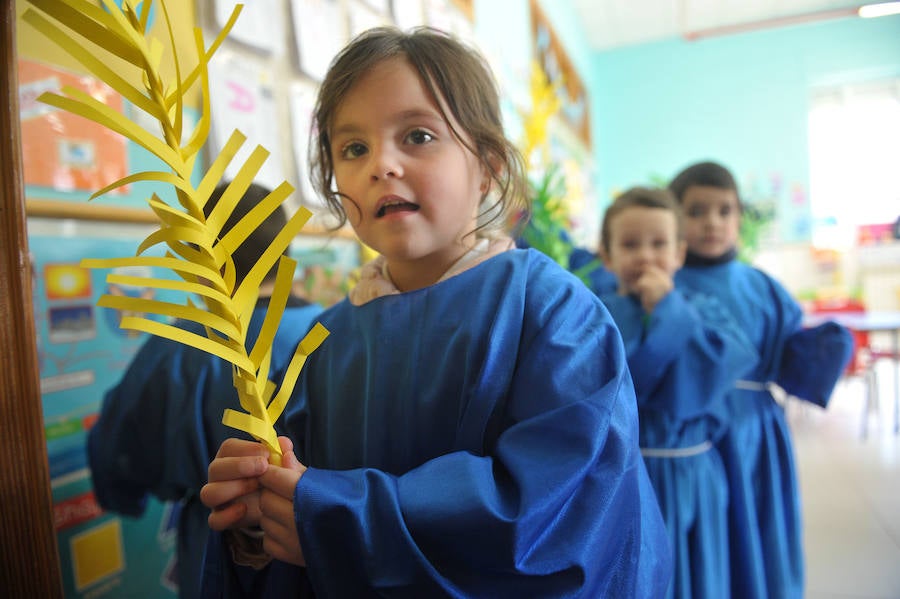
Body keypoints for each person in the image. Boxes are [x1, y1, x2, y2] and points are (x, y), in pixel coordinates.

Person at [198, 26, 672, 598]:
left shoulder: (555, 315)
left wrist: (333, 522)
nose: (381, 165)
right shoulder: (323, 342)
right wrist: (256, 514)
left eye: (418, 135)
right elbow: (290, 507)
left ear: (490, 166)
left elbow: (554, 523)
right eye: (353, 148)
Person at [88, 182, 324, 599]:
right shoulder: (336, 333)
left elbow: (117, 457)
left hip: (216, 557)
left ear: (198, 253)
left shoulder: (177, 347)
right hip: (327, 556)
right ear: (287, 246)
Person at [669, 161, 853, 599]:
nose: (712, 222)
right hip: (683, 435)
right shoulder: (661, 282)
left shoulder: (763, 287)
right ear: (673, 216)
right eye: (696, 211)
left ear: (738, 218)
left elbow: (792, 357)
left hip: (752, 433)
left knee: (755, 525)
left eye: (724, 211)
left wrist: (824, 350)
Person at [597, 186, 758, 599]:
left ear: (680, 253)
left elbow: (724, 365)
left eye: (659, 243)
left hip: (694, 471)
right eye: (631, 244)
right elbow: (623, 383)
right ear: (607, 256)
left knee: (703, 574)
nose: (646, 256)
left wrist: (668, 310)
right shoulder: (596, 315)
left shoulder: (702, 309)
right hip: (629, 477)